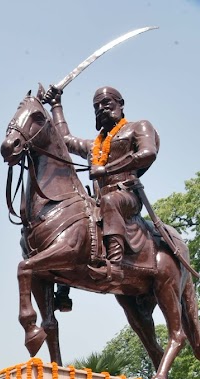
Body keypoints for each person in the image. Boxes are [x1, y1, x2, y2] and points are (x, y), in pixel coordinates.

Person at [44, 84, 159, 268]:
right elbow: (64, 140)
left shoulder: (139, 127)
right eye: (96, 106)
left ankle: (114, 261)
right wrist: (56, 104)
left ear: (121, 104)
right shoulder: (94, 147)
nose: (101, 108)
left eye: (106, 102)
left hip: (126, 196)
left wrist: (107, 170)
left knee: (111, 200)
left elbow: (148, 153)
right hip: (98, 201)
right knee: (70, 220)